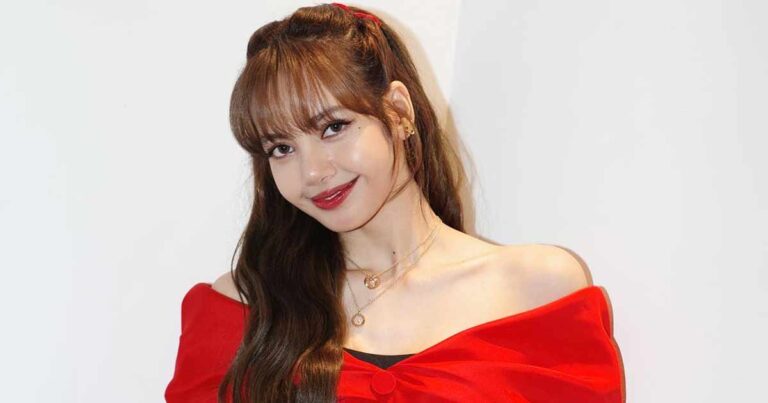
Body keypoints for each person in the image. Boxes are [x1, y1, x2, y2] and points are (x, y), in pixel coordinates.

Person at [165, 3, 624, 402]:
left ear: (399, 111)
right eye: (281, 148)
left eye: (333, 127)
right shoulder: (240, 308)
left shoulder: (537, 290)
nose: (312, 172)